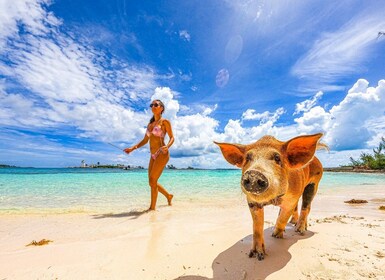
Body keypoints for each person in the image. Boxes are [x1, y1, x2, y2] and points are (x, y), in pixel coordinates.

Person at [124, 99, 174, 211]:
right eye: (152, 105)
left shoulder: (165, 122)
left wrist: (167, 146)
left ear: (161, 108)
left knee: (152, 180)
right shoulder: (150, 125)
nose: (153, 106)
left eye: (156, 105)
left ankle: (152, 209)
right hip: (152, 155)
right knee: (152, 182)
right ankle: (168, 196)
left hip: (162, 153)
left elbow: (172, 137)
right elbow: (145, 140)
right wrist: (132, 148)